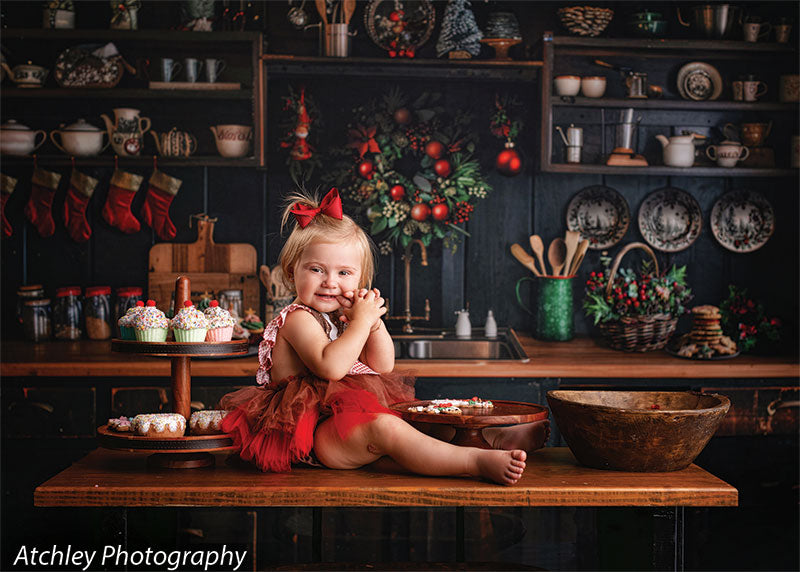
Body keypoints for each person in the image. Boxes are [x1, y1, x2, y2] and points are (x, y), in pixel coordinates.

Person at [220, 188, 548, 485]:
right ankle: (473, 461)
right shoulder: (296, 319)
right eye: (316, 269)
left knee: (418, 418)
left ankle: (492, 439)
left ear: (361, 278)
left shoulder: (339, 317)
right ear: (292, 271)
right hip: (313, 435)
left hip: (344, 423)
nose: (330, 282)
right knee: (387, 429)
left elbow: (382, 364)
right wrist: (360, 325)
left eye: (344, 273)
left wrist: (374, 325)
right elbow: (330, 367)